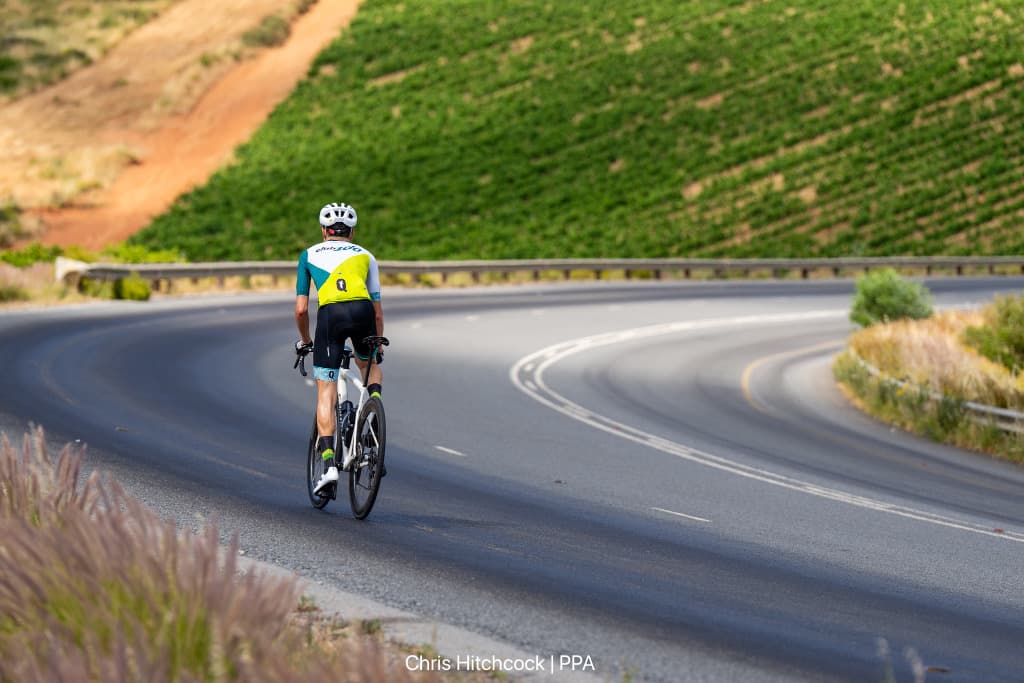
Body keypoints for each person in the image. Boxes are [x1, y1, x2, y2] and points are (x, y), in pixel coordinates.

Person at [294, 202, 384, 494]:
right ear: (352, 232)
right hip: (363, 313)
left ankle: (330, 464)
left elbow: (300, 309)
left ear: (323, 230)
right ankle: (372, 415)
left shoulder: (309, 255)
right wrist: (377, 347)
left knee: (326, 391)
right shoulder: (366, 256)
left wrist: (306, 341)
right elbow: (378, 311)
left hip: (331, 318)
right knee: (370, 366)